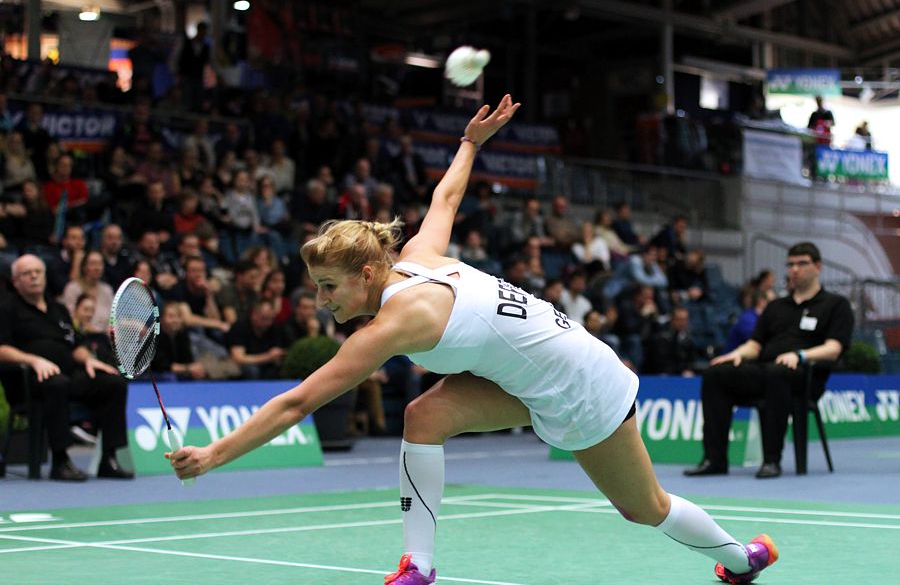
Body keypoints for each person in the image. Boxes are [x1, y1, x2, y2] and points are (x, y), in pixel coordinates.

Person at [168, 96, 778, 585]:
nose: (321, 301)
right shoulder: (416, 256)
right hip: (535, 377)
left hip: (581, 386)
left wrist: (212, 456)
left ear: (367, 274)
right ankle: (420, 567)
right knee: (423, 415)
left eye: (329, 287)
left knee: (644, 507)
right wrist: (468, 144)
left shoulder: (394, 324)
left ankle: (744, 557)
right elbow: (446, 197)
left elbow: (300, 402)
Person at [685, 242, 853, 480]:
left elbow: (834, 349)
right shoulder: (776, 306)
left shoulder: (835, 304)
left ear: (817, 266)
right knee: (716, 373)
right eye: (791, 264)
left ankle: (771, 461)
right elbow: (755, 345)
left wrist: (800, 355)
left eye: (801, 264)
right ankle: (714, 459)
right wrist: (737, 354)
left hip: (804, 377)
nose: (794, 270)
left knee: (778, 372)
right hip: (765, 370)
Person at [0, 254, 133, 481]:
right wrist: (34, 360)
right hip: (29, 381)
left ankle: (108, 459)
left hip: (68, 374)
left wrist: (88, 359)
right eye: (27, 273)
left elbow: (76, 343)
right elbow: (2, 349)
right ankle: (60, 461)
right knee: (57, 384)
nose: (34, 277)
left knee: (113, 382)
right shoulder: (6, 308)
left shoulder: (57, 308)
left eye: (38, 272)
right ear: (16, 281)